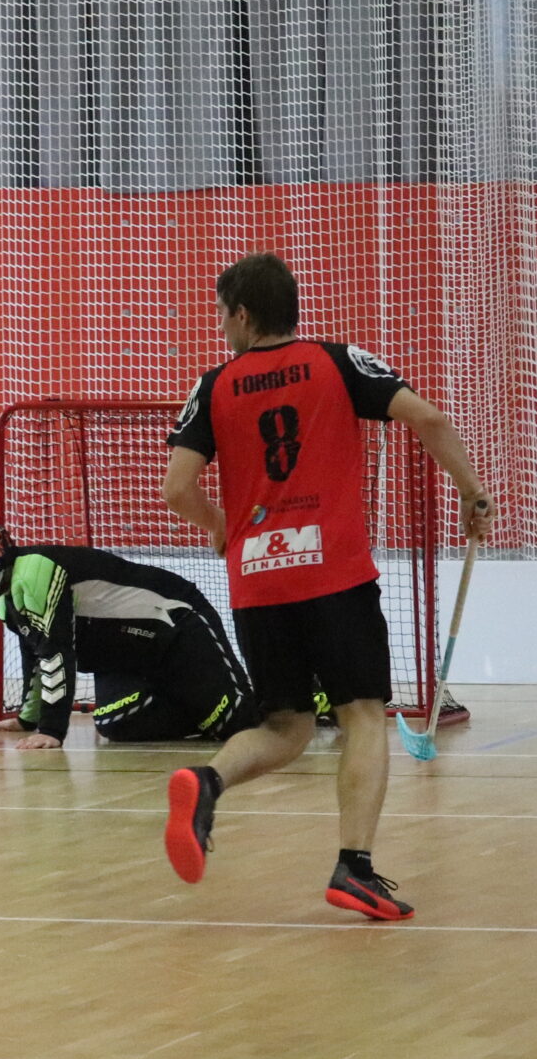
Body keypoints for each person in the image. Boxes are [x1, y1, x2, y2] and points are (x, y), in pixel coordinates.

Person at [159, 253, 492, 921]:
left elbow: (175, 489)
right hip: (333, 573)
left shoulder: (214, 385)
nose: (221, 327)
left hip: (258, 581)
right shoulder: (340, 362)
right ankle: (355, 868)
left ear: (244, 314)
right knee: (362, 713)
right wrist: (470, 491)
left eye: (222, 314)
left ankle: (207, 778)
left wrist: (222, 527)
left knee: (285, 726)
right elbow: (429, 418)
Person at [0, 517, 256, 749]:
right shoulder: (6, 602)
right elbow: (33, 658)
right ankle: (201, 710)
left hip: (177, 622)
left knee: (237, 724)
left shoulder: (34, 570)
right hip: (127, 656)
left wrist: (51, 730)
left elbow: (55, 652)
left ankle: (254, 704)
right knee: (116, 722)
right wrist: (28, 720)